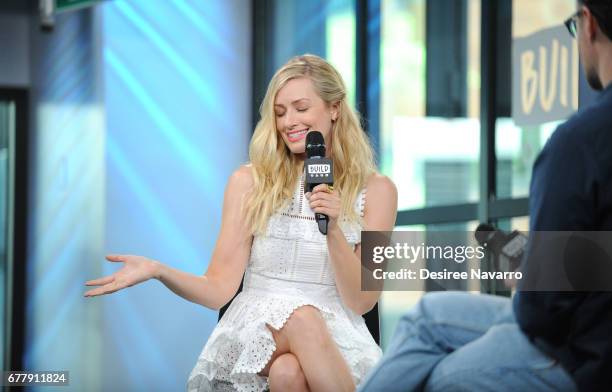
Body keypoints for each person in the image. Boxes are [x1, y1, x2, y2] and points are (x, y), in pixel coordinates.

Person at [84, 54, 398, 392]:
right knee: (305, 319)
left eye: (300, 108)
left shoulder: (379, 190)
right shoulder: (249, 181)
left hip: (337, 334)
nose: (288, 121)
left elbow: (363, 300)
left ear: (334, 108)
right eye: (279, 112)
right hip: (258, 329)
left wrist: (333, 228)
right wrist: (159, 270)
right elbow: (218, 287)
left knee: (288, 374)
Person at [358, 0, 612, 391]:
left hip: (582, 354)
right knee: (427, 317)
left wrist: (529, 277)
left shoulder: (580, 143)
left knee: (437, 372)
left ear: (589, 24)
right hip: (585, 325)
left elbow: (540, 313)